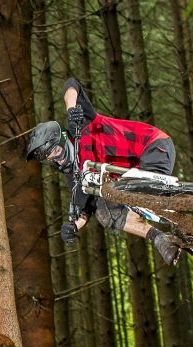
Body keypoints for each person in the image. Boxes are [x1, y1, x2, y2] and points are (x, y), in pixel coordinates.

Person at [26, 78, 182, 265]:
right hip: (134, 174)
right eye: (50, 159)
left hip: (152, 146)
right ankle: (161, 239)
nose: (57, 159)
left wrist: (71, 110)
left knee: (137, 189)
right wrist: (73, 226)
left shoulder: (82, 126)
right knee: (105, 212)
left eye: (57, 151)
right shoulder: (75, 176)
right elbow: (85, 208)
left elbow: (71, 84)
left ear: (63, 140)